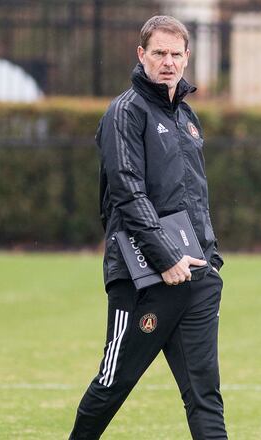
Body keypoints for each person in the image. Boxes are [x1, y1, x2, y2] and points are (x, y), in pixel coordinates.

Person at [69, 15, 227, 440]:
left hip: (195, 275)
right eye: (159, 52)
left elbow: (193, 199)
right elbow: (126, 192)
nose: (168, 62)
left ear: (187, 58)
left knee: (205, 396)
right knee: (112, 384)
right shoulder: (125, 112)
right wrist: (165, 257)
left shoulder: (188, 117)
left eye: (177, 54)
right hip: (143, 277)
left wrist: (208, 261)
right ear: (141, 55)